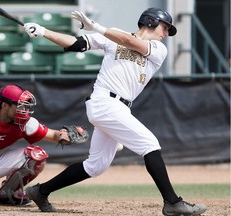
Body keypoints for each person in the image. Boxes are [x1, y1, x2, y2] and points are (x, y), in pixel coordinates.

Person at [23, 8, 207, 216]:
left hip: (119, 107)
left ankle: (40, 191)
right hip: (104, 102)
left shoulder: (158, 49)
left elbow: (131, 43)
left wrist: (98, 28)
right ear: (150, 22)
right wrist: (43, 31)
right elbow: (75, 43)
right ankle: (172, 202)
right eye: (164, 28)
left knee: (95, 166)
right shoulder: (112, 36)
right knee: (149, 144)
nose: (165, 34)